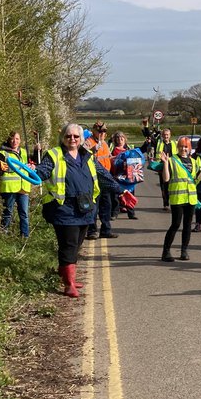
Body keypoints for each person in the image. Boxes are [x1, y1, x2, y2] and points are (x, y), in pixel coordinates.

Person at [34, 123, 131, 297]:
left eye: (76, 136)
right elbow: (42, 172)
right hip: (63, 208)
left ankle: (65, 273)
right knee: (69, 244)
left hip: (85, 208)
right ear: (62, 138)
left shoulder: (88, 156)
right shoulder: (54, 155)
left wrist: (121, 191)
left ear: (81, 139)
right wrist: (32, 170)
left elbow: (104, 176)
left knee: (77, 243)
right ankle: (69, 283)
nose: (72, 139)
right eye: (68, 136)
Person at [158, 136, 201, 262]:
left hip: (191, 198)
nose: (184, 149)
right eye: (181, 146)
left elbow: (199, 178)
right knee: (175, 224)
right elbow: (166, 179)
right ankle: (166, 251)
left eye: (186, 147)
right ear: (178, 147)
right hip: (177, 198)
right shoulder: (172, 160)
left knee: (187, 225)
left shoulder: (193, 161)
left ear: (189, 148)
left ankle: (184, 250)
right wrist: (165, 163)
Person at [0, 130, 32, 237]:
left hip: (23, 187)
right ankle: (3, 234)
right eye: (12, 139)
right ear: (8, 140)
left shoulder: (24, 152)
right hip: (9, 188)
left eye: (17, 139)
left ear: (20, 140)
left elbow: (34, 163)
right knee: (7, 213)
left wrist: (38, 151)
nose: (14, 141)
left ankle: (24, 236)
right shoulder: (2, 153)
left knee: (24, 214)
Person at [84, 121, 116, 239]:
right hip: (94, 178)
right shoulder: (88, 142)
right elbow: (83, 157)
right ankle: (92, 231)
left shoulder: (105, 144)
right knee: (94, 206)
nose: (102, 133)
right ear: (94, 131)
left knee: (106, 205)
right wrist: (92, 150)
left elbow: (107, 157)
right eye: (100, 131)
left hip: (105, 177)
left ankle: (106, 230)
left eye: (104, 131)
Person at [110, 131, 139, 220]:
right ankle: (114, 213)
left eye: (122, 138)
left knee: (129, 194)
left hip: (128, 175)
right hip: (116, 175)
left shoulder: (129, 149)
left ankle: (131, 213)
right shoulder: (113, 149)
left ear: (125, 139)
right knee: (116, 195)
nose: (120, 139)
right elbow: (110, 159)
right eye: (118, 138)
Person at [154, 128, 176, 211]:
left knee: (173, 186)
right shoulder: (159, 143)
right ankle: (166, 204)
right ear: (162, 135)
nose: (166, 136)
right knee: (164, 187)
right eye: (164, 135)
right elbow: (149, 136)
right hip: (162, 168)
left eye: (167, 135)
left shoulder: (174, 143)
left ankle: (173, 203)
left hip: (173, 167)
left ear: (170, 135)